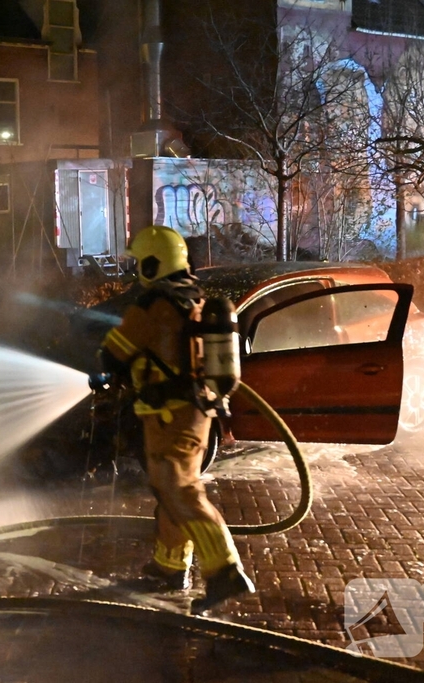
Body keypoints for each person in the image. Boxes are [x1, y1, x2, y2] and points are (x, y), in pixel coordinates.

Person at [96, 225, 254, 614]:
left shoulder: (154, 305)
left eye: (139, 262)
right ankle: (170, 567)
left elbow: (115, 352)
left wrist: (105, 368)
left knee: (179, 490)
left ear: (154, 263)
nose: (136, 271)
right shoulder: (192, 298)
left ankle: (225, 571)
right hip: (189, 410)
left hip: (171, 414)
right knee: (170, 489)